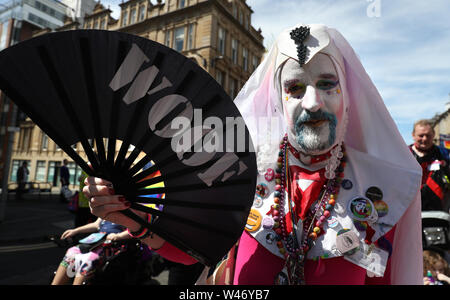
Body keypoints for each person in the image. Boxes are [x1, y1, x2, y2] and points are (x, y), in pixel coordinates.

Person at [83, 24, 423, 285]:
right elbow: (189, 249)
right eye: (295, 88)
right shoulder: (238, 170)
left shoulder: (388, 189)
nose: (312, 103)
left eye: (326, 84)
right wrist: (131, 218)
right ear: (277, 99)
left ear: (347, 93)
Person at [51, 217, 130, 285]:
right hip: (98, 241)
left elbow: (138, 230)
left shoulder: (131, 209)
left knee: (89, 258)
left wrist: (118, 236)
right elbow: (96, 225)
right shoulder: (107, 207)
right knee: (72, 252)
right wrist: (76, 230)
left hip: (115, 245)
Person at [409, 119, 450, 211]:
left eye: (428, 135)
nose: (425, 139)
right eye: (421, 135)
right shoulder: (405, 154)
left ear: (433, 135)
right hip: (410, 208)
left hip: (439, 210)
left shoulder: (444, 153)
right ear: (413, 135)